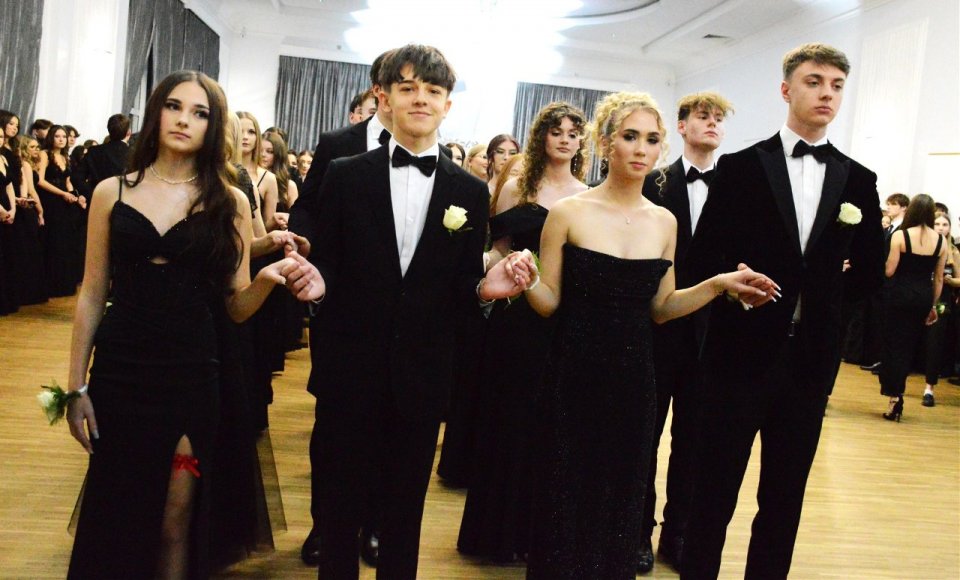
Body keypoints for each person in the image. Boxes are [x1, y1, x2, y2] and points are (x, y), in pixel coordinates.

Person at [278, 44, 534, 580]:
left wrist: (484, 290)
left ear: (447, 105)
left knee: (404, 511)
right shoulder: (345, 173)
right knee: (340, 503)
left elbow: (459, 288)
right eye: (408, 87)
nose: (421, 98)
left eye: (433, 90)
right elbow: (328, 261)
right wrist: (319, 284)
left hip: (422, 372)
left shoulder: (468, 190)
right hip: (351, 363)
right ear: (385, 99)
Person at [517, 91, 772, 579]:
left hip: (635, 380)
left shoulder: (664, 222)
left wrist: (718, 285)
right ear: (605, 142)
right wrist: (525, 280)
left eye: (652, 140)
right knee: (566, 491)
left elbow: (662, 307)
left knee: (621, 492)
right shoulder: (568, 213)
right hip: (572, 375)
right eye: (630, 136)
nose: (641, 149)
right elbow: (549, 301)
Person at [63, 69, 297, 579]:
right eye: (174, 106)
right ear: (156, 113)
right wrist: (75, 387)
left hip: (192, 370)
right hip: (120, 369)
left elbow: (236, 306)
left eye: (200, 112)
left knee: (177, 514)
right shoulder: (111, 192)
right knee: (118, 509)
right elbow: (92, 292)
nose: (184, 120)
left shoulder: (230, 201)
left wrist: (269, 279)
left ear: (214, 126)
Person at [679, 43, 885, 579]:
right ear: (787, 89)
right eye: (815, 82)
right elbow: (704, 257)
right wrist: (732, 286)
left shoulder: (858, 179)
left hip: (810, 363)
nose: (827, 94)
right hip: (736, 355)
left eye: (837, 85)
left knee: (784, 500)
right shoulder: (741, 167)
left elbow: (869, 274)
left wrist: (827, 297)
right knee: (712, 493)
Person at [458, 102, 588, 564]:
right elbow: (496, 251)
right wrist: (500, 268)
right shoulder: (517, 187)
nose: (566, 139)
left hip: (562, 319)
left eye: (573, 132)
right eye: (557, 131)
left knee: (550, 424)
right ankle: (495, 535)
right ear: (542, 137)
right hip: (515, 318)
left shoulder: (587, 195)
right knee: (507, 419)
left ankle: (538, 535)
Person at [289, 47, 398, 568]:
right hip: (340, 309)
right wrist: (311, 256)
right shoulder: (338, 144)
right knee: (333, 426)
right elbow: (307, 208)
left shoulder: (434, 157)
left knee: (386, 426)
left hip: (398, 321)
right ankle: (326, 524)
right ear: (380, 90)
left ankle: (374, 524)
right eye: (402, 84)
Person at [638, 91, 734, 573]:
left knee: (695, 442)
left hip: (713, 334)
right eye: (702, 116)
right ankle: (637, 530)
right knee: (645, 435)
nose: (712, 124)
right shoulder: (654, 182)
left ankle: (678, 532)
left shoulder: (736, 187)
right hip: (656, 327)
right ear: (681, 126)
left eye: (718, 118)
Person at [877, 194, 947, 420]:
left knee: (893, 346)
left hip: (899, 295)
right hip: (923, 297)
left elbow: (889, 271)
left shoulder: (901, 235)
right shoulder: (941, 241)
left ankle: (894, 396)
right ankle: (897, 393)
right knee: (908, 346)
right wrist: (933, 305)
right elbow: (938, 278)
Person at [37, 124, 84, 296]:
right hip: (50, 201)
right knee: (52, 241)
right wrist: (63, 193)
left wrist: (75, 196)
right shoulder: (44, 154)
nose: (62, 139)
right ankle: (50, 285)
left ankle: (63, 284)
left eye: (64, 136)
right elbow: (40, 180)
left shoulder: (65, 157)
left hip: (64, 203)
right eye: (57, 136)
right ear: (51, 137)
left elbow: (68, 181)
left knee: (65, 242)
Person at [918, 212, 958, 407]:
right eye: (937, 224)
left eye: (945, 224)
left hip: (942, 301)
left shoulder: (954, 252)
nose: (941, 227)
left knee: (935, 344)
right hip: (920, 297)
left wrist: (949, 280)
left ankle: (929, 388)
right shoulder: (922, 245)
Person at [74, 114, 132, 200]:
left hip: (98, 200)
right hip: (124, 201)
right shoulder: (133, 154)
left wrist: (92, 193)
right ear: (128, 132)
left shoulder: (94, 151)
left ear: (109, 129)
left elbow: (76, 177)